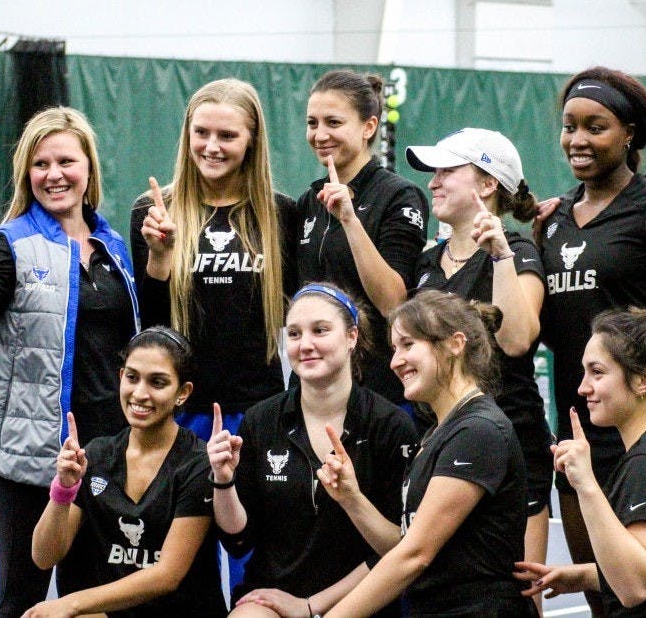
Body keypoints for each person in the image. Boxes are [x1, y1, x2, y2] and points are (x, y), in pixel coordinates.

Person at [0, 106, 140, 617]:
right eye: (41, 164)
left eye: (66, 162)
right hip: (31, 458)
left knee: (91, 599)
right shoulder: (9, 244)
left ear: (89, 169)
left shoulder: (114, 247)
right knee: (22, 599)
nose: (54, 175)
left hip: (106, 453)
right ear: (27, 175)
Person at [534, 67, 646, 616]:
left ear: (629, 134)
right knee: (600, 594)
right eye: (569, 126)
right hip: (576, 428)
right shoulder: (553, 222)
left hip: (639, 432)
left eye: (595, 127)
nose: (578, 140)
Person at [405, 127, 553, 613]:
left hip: (511, 438)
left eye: (447, 171)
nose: (433, 182)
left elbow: (517, 339)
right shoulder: (426, 260)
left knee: (516, 594)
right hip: (441, 440)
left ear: (487, 184)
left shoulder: (518, 250)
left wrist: (502, 257)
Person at [207, 283, 417, 617]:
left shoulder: (390, 425)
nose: (305, 345)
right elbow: (238, 541)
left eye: (320, 330)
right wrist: (223, 481)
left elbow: (400, 550)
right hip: (275, 598)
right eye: (293, 334)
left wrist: (310, 607)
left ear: (351, 337)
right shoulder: (261, 420)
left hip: (361, 602)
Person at [326, 290, 538, 617]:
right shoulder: (438, 432)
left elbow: (415, 555)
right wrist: (352, 499)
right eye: (395, 348)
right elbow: (405, 546)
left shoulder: (478, 431)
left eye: (409, 345)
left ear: (455, 343)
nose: (395, 361)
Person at [515, 303, 646, 616]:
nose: (582, 387)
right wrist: (585, 576)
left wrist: (585, 483)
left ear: (644, 380)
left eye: (598, 372)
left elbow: (635, 586)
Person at [23, 327, 225, 617]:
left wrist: (70, 603)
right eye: (132, 378)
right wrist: (63, 491)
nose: (140, 393)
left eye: (158, 382)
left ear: (183, 393)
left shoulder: (197, 464)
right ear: (120, 378)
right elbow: (44, 557)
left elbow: (167, 575)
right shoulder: (97, 455)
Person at [131, 77, 297, 432]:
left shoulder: (281, 214)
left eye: (227, 136)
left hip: (258, 410)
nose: (211, 147)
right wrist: (160, 257)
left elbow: (297, 318)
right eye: (201, 132)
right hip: (177, 411)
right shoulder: (153, 211)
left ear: (251, 140)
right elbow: (150, 326)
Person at [297, 69, 428, 407]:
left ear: (369, 127)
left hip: (380, 394)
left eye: (334, 123)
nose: (320, 134)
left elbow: (393, 302)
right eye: (313, 123)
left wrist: (350, 220)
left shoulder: (399, 196)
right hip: (317, 394)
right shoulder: (308, 201)